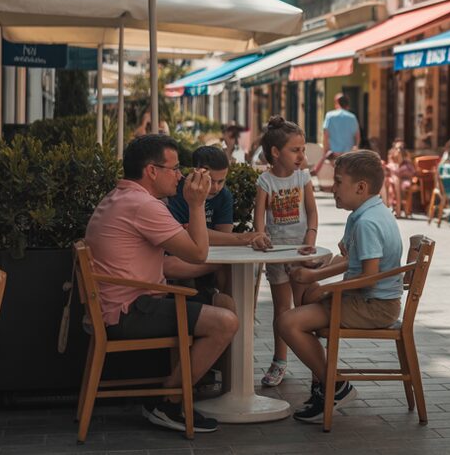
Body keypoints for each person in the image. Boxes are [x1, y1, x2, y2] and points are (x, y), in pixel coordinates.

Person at [84, 135, 237, 433]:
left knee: (224, 303)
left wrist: (239, 240)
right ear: (152, 171)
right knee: (225, 322)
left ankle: (196, 393)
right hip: (130, 311)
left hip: (125, 304)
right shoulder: (143, 205)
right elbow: (197, 252)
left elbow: (174, 244)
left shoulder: (125, 197)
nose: (180, 175)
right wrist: (197, 203)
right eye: (175, 168)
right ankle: (167, 401)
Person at [278, 151, 403, 423]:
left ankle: (334, 386)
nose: (332, 188)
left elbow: (369, 276)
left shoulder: (368, 223)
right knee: (306, 293)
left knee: (287, 323)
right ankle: (324, 386)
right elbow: (350, 261)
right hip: (370, 301)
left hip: (375, 306)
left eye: (337, 182)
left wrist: (325, 288)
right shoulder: (364, 213)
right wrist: (316, 275)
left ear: (361, 187)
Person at [254, 116, 320, 387]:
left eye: (303, 149)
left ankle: (317, 366)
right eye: (296, 150)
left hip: (301, 253)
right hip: (277, 255)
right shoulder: (265, 181)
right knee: (282, 308)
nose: (301, 155)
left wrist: (311, 236)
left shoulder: (303, 177)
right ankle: (279, 361)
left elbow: (313, 212)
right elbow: (259, 217)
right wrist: (259, 236)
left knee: (305, 307)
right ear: (275, 152)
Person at [163, 146, 271, 312]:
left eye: (221, 181)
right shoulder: (178, 191)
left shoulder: (224, 195)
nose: (216, 187)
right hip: (181, 259)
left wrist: (218, 237)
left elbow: (223, 237)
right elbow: (185, 235)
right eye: (211, 181)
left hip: (211, 256)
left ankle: (233, 311)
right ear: (196, 173)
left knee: (230, 268)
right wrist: (245, 238)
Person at [313, 94, 360, 174]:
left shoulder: (330, 115)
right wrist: (355, 149)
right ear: (347, 104)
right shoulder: (352, 117)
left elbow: (326, 135)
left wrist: (325, 152)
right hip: (348, 155)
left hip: (334, 155)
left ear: (337, 103)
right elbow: (357, 137)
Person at [385, 141, 416, 213]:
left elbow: (412, 172)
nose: (399, 150)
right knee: (393, 182)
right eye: (397, 148)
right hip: (393, 179)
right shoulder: (391, 157)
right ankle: (396, 207)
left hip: (404, 180)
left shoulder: (407, 160)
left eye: (401, 148)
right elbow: (389, 170)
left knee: (397, 182)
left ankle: (397, 207)